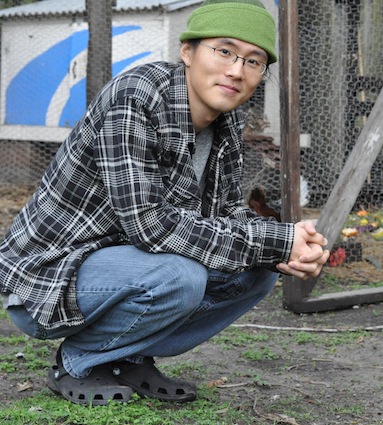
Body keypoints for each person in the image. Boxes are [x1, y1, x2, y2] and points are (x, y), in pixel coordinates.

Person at [0, 0, 329, 406]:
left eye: (254, 61)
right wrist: (276, 241)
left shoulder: (227, 121)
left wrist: (286, 245)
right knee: (181, 276)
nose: (236, 70)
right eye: (224, 51)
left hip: (126, 265)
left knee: (258, 270)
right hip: (48, 278)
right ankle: (79, 360)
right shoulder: (137, 96)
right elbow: (150, 225)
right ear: (187, 52)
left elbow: (225, 214)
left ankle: (125, 357)